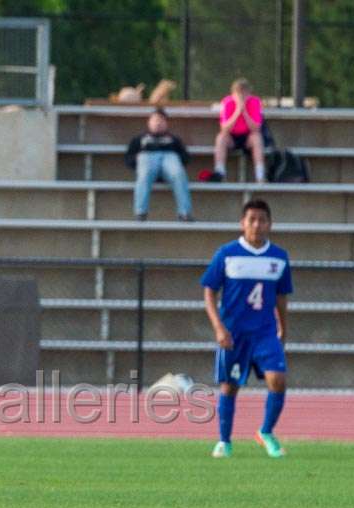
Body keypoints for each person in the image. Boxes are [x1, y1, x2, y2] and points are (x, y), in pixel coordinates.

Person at [201, 198, 291, 458]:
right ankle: (224, 441)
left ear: (270, 224)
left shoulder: (279, 258)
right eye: (251, 219)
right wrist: (219, 328)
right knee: (230, 386)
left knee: (278, 380)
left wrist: (283, 328)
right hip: (234, 333)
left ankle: (266, 432)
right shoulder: (227, 254)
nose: (257, 225)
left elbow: (281, 297)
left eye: (262, 220)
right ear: (242, 223)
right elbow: (209, 292)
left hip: (265, 332)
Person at [124, 108, 193, 222]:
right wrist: (137, 161)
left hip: (170, 159)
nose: (158, 123)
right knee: (144, 173)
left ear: (166, 124)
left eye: (161, 120)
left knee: (178, 173)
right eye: (155, 120)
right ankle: (140, 213)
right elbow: (128, 158)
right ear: (149, 122)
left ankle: (184, 213)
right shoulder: (139, 139)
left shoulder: (174, 140)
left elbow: (185, 157)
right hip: (147, 159)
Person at [211, 78, 266, 183]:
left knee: (257, 138)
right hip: (232, 137)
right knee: (221, 138)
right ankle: (220, 173)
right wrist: (237, 111)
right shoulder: (227, 102)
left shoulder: (255, 102)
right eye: (239, 93)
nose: (242, 97)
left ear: (249, 93)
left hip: (248, 137)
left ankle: (260, 176)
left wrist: (244, 111)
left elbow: (256, 128)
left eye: (244, 93)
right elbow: (225, 128)